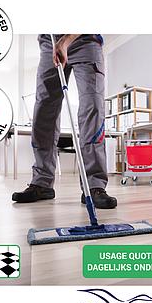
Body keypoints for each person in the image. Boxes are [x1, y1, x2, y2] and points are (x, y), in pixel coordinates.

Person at [12, 33, 117, 209]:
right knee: (43, 110)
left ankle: (94, 185)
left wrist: (66, 41)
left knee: (92, 107)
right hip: (50, 41)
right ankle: (42, 182)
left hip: (86, 39)